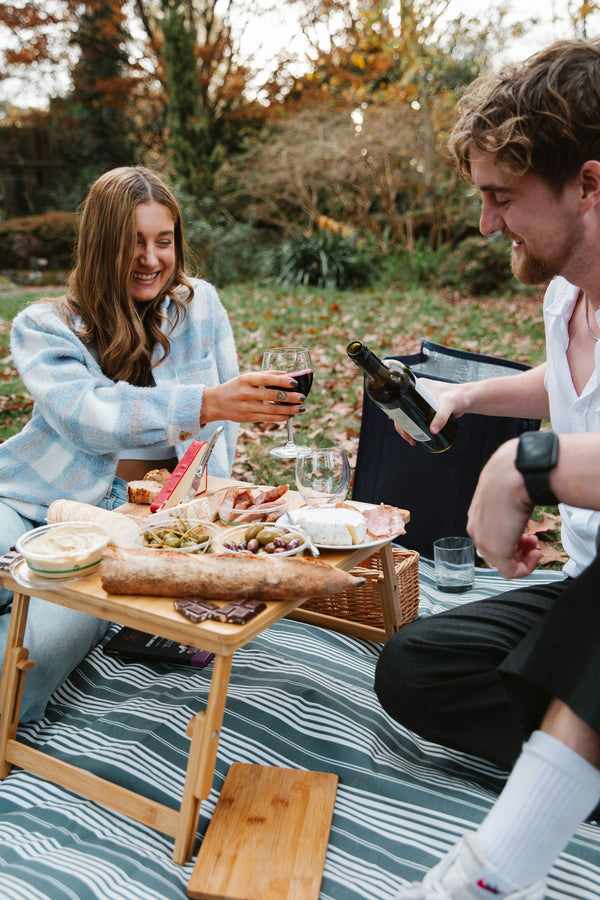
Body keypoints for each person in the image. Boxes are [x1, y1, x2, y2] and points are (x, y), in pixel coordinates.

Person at [374, 40, 600, 899]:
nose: (486, 224)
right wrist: (470, 399)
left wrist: (527, 463)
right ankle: (576, 750)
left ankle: (493, 874)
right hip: (583, 594)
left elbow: (553, 444)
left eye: (502, 197)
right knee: (414, 668)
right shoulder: (564, 297)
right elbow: (566, 382)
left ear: (588, 183)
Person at [0, 165, 306, 723]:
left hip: (122, 526)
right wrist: (205, 402)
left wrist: (208, 515)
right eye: (133, 243)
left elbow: (221, 433)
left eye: (163, 241)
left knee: (25, 669)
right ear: (101, 246)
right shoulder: (43, 325)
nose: (150, 259)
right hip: (28, 498)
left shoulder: (200, 304)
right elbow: (87, 416)